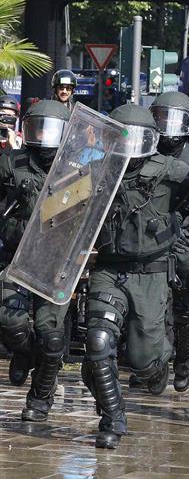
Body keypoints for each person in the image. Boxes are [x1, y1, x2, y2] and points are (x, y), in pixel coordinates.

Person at [82, 103, 189, 448]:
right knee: (99, 341)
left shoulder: (173, 171)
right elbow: (61, 212)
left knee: (144, 362)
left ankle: (159, 364)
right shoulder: (94, 168)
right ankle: (112, 420)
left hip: (151, 274)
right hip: (109, 269)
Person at [0, 100, 68, 417]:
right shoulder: (11, 163)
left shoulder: (77, 167)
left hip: (56, 261)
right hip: (16, 257)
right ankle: (25, 353)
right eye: (37, 128)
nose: (42, 136)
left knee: (51, 335)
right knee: (9, 321)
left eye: (50, 129)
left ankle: (41, 397)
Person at [150, 92, 189, 392]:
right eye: (162, 119)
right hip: (152, 238)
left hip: (185, 240)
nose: (168, 128)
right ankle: (156, 365)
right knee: (153, 309)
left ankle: (186, 362)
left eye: (175, 121)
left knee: (184, 309)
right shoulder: (146, 148)